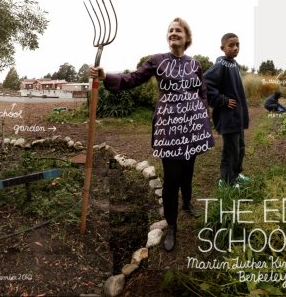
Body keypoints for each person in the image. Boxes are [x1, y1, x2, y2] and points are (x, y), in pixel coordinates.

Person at [90, 17, 214, 252]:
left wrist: (202, 115)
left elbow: (202, 91)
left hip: (192, 127)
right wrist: (107, 77)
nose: (173, 33)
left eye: (178, 30)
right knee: (171, 178)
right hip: (169, 128)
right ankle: (172, 224)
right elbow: (133, 78)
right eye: (170, 30)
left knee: (188, 168)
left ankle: (187, 202)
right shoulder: (158, 61)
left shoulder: (195, 64)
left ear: (187, 38)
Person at [204, 33, 250, 188]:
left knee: (240, 147)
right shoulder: (221, 65)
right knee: (230, 150)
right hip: (227, 117)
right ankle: (226, 181)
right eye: (231, 45)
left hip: (237, 116)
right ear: (222, 48)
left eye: (238, 44)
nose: (235, 48)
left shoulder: (234, 65)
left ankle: (235, 174)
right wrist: (222, 100)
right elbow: (205, 84)